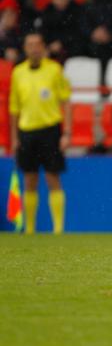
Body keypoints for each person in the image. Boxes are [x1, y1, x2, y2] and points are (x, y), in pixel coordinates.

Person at [9, 32, 71, 234]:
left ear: (43, 47)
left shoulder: (54, 69)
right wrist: (15, 137)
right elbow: (14, 108)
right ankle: (30, 229)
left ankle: (58, 228)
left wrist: (67, 132)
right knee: (29, 179)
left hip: (50, 129)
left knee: (53, 176)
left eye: (37, 44)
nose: (34, 48)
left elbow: (66, 101)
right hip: (27, 131)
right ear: (25, 49)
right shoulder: (18, 72)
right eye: (30, 45)